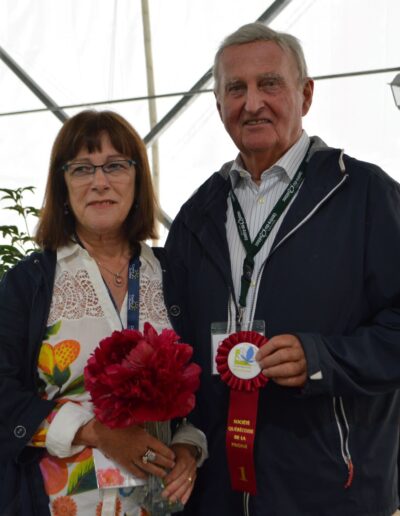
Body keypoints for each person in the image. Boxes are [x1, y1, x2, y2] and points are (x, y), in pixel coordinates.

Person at [164, 22, 400, 516]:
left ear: (305, 94)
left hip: (330, 490)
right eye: (235, 88)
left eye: (269, 83)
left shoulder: (365, 195)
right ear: (218, 104)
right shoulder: (198, 213)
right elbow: (174, 341)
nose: (252, 103)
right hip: (216, 492)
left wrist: (323, 357)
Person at [0, 109, 207, 516]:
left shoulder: (175, 277)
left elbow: (204, 388)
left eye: (115, 165)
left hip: (162, 502)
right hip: (61, 503)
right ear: (63, 186)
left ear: (137, 178)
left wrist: (189, 445)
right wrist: (96, 431)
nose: (99, 182)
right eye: (81, 169)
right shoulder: (29, 284)